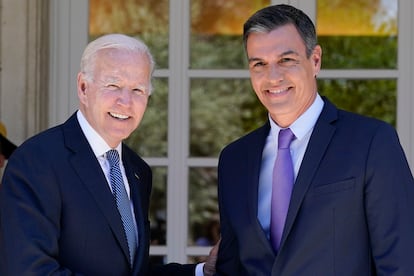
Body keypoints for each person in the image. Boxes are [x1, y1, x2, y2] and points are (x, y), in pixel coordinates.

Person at [215, 4, 414, 275]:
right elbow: (231, 267)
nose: (273, 77)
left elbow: (401, 263)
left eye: (286, 60)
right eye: (259, 64)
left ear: (315, 60)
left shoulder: (371, 142)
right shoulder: (234, 159)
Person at [0, 34, 217, 276]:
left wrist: (201, 271)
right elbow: (28, 270)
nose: (125, 101)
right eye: (113, 86)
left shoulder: (137, 170)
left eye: (138, 89)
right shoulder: (37, 160)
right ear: (83, 88)